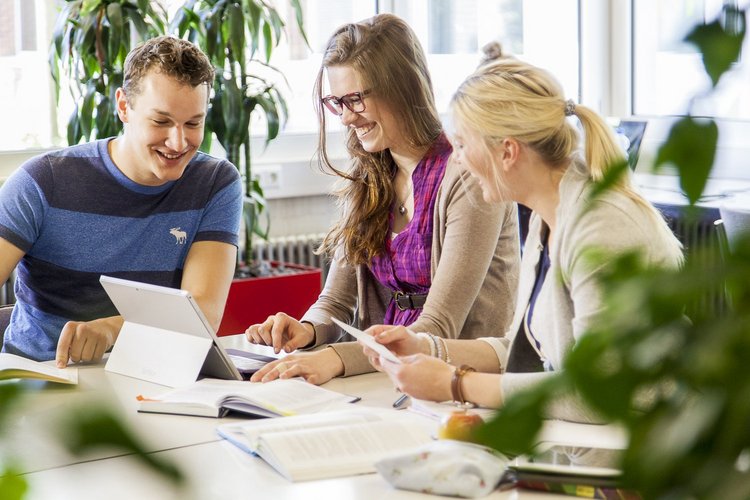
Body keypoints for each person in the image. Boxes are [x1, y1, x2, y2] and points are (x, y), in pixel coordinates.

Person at [363, 48, 684, 423]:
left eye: (463, 145)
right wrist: (428, 347)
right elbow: (528, 350)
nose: (458, 159)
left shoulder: (600, 227)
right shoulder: (548, 216)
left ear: (508, 152)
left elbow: (600, 391)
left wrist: (456, 383)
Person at [246, 14, 520, 385]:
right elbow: (335, 302)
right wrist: (306, 330)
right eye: (336, 102)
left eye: (355, 99)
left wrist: (334, 358)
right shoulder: (369, 173)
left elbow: (437, 327)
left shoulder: (467, 174)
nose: (345, 118)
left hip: (456, 380)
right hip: (380, 372)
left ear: (401, 88)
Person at [0, 36, 242, 367]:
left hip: (152, 377)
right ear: (124, 107)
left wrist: (112, 330)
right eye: (161, 121)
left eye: (193, 123)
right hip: (44, 375)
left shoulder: (215, 183)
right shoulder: (43, 181)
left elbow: (200, 314)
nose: (178, 141)